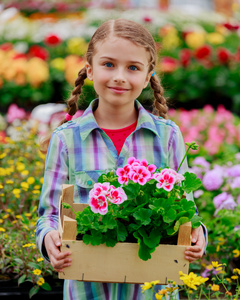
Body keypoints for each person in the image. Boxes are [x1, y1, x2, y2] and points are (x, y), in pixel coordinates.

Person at [36, 18, 207, 300]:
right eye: (108, 64)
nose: (119, 76)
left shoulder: (168, 137)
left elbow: (185, 210)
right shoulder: (66, 139)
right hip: (87, 289)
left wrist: (197, 233)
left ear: (149, 74)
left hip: (153, 291)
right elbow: (50, 214)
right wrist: (49, 239)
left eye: (133, 68)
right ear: (89, 69)